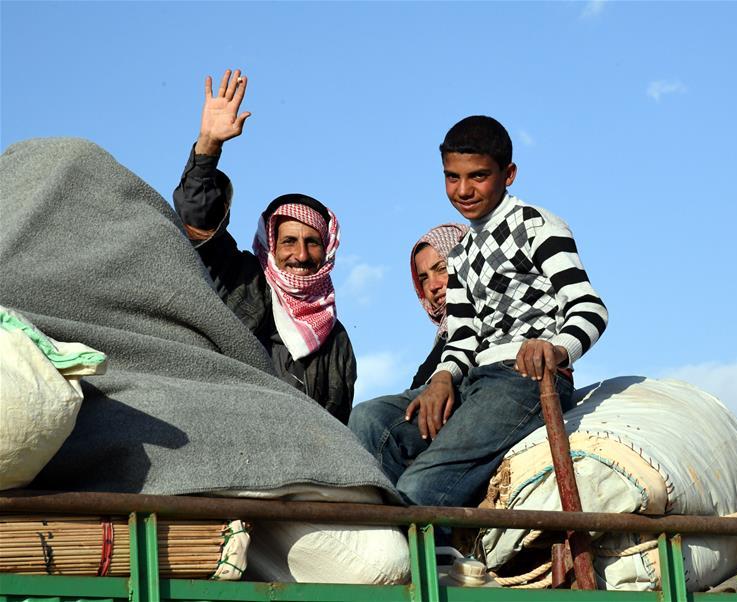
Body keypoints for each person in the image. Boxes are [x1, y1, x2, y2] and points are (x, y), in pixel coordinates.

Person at [349, 116, 608, 507]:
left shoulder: (538, 227)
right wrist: (441, 379)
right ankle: (388, 545)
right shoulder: (462, 252)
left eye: (478, 176)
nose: (463, 190)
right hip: (474, 382)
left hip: (525, 382)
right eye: (452, 177)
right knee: (370, 421)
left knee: (421, 485)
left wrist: (554, 350)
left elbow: (589, 307)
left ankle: (436, 558)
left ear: (509, 174)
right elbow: (463, 335)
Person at [173, 70, 355, 423]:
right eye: (288, 241)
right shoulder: (242, 281)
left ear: (327, 250)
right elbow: (198, 221)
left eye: (312, 243)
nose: (300, 255)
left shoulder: (337, 341)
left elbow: (338, 428)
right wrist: (209, 146)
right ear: (271, 245)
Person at [408, 223, 468, 389]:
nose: (432, 286)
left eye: (442, 269)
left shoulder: (489, 320)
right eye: (423, 279)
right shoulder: (445, 332)